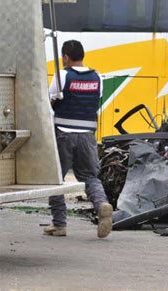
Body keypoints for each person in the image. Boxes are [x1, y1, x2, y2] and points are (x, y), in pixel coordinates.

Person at [45, 40, 112, 238]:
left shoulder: (62, 75)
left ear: (65, 57)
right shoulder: (97, 77)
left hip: (64, 134)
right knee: (90, 176)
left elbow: (50, 103)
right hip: (87, 136)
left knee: (56, 179)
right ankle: (102, 205)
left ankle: (59, 225)